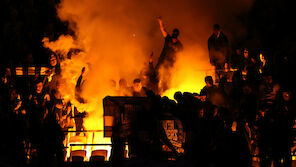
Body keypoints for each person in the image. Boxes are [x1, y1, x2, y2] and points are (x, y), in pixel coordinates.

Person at [156, 17, 183, 93]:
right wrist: (160, 22)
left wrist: (178, 67)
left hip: (171, 65)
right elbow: (163, 30)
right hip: (162, 62)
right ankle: (160, 93)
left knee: (169, 80)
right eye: (173, 36)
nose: (173, 39)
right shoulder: (168, 38)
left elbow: (180, 57)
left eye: (175, 37)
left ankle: (168, 92)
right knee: (160, 78)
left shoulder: (179, 45)